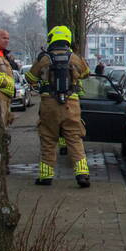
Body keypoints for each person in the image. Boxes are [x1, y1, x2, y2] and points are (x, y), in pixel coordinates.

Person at [25, 25, 92, 188]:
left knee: (48, 138)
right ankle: (82, 174)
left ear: (52, 38)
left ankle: (46, 176)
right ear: (68, 39)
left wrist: (41, 81)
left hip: (49, 105)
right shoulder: (75, 57)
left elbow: (30, 77)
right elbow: (86, 73)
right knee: (74, 139)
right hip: (72, 105)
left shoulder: (44, 58)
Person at [0, 28, 17, 131]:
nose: (7, 41)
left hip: (6, 97)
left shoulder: (3, 55)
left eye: (8, 38)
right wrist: (6, 83)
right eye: (4, 38)